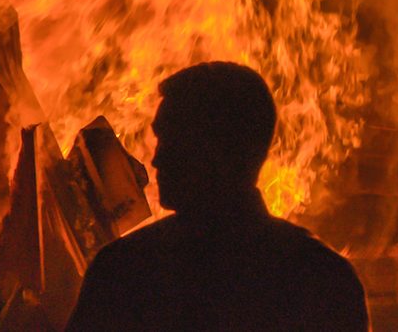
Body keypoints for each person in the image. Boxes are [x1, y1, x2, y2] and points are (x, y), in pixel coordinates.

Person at [66, 62, 368, 331]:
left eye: (170, 141)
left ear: (214, 151)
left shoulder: (127, 274)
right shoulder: (324, 277)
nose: (156, 160)